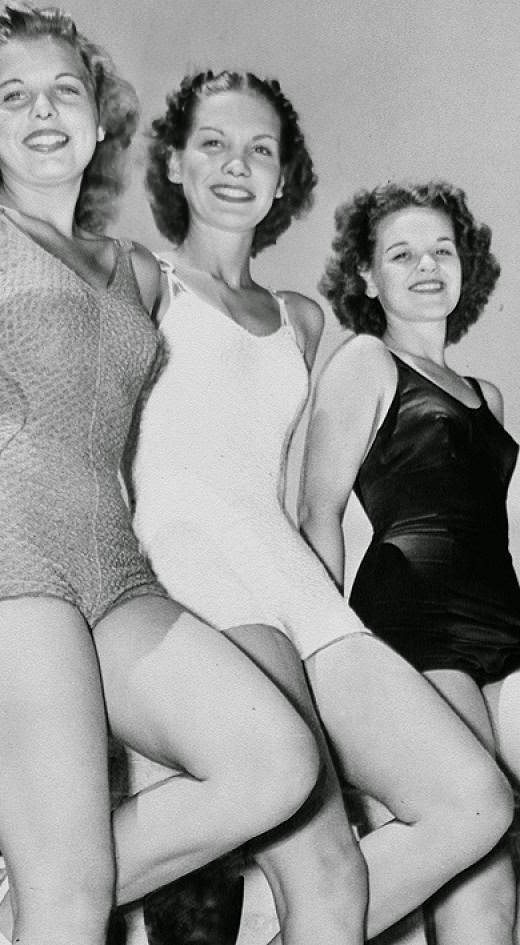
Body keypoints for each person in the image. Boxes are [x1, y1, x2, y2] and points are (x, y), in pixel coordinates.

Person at [0, 8, 323, 944]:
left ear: (100, 121)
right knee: (75, 905)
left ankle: (27, 890)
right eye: (13, 96)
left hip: (111, 557)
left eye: (66, 90)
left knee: (276, 761)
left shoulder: (135, 269)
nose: (43, 110)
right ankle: (47, 893)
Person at [133, 70, 513, 944]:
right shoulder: (143, 280)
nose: (238, 165)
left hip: (290, 576)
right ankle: (43, 884)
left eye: (261, 149)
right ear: (177, 164)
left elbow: (286, 492)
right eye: (215, 145)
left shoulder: (301, 318)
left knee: (475, 801)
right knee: (324, 867)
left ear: (284, 175)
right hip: (190, 562)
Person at [304, 180, 520, 944]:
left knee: (500, 869)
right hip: (415, 624)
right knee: (481, 868)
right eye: (402, 253)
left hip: (505, 625)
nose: (427, 266)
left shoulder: (488, 395)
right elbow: (318, 511)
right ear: (367, 276)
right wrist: (322, 648)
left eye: (442, 249)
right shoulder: (365, 360)